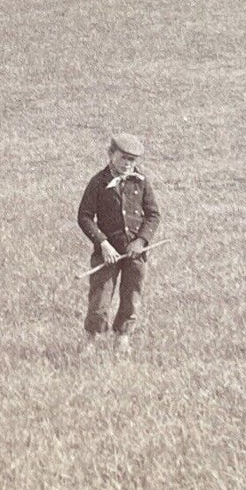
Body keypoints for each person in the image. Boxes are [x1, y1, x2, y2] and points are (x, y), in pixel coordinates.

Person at [76, 132, 162, 344]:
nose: (127, 164)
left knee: (132, 296)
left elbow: (153, 215)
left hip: (135, 254)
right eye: (123, 157)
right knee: (100, 299)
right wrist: (103, 244)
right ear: (110, 154)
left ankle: (122, 337)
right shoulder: (98, 182)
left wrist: (140, 241)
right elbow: (84, 216)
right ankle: (91, 340)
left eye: (131, 160)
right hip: (107, 255)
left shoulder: (141, 183)